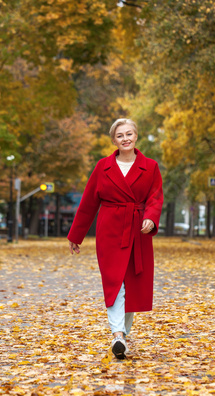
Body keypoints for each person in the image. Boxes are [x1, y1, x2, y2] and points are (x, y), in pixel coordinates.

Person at [67, 118, 163, 359]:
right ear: (114, 140)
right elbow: (89, 202)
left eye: (129, 134)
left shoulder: (150, 167)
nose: (125, 138)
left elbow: (156, 197)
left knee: (132, 284)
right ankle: (118, 334)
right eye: (120, 135)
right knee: (114, 282)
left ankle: (123, 335)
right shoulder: (103, 167)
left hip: (137, 230)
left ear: (136, 136)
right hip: (110, 230)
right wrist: (76, 235)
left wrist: (150, 218)